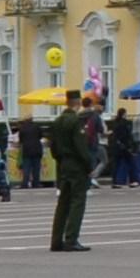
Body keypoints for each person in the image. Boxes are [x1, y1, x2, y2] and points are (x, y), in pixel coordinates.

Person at [48, 92, 96, 251]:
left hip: (63, 164)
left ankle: (56, 241)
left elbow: (53, 148)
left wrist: (61, 162)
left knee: (62, 203)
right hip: (76, 165)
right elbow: (81, 147)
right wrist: (89, 166)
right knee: (77, 202)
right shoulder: (76, 121)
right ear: (79, 102)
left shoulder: (57, 121)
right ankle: (71, 239)